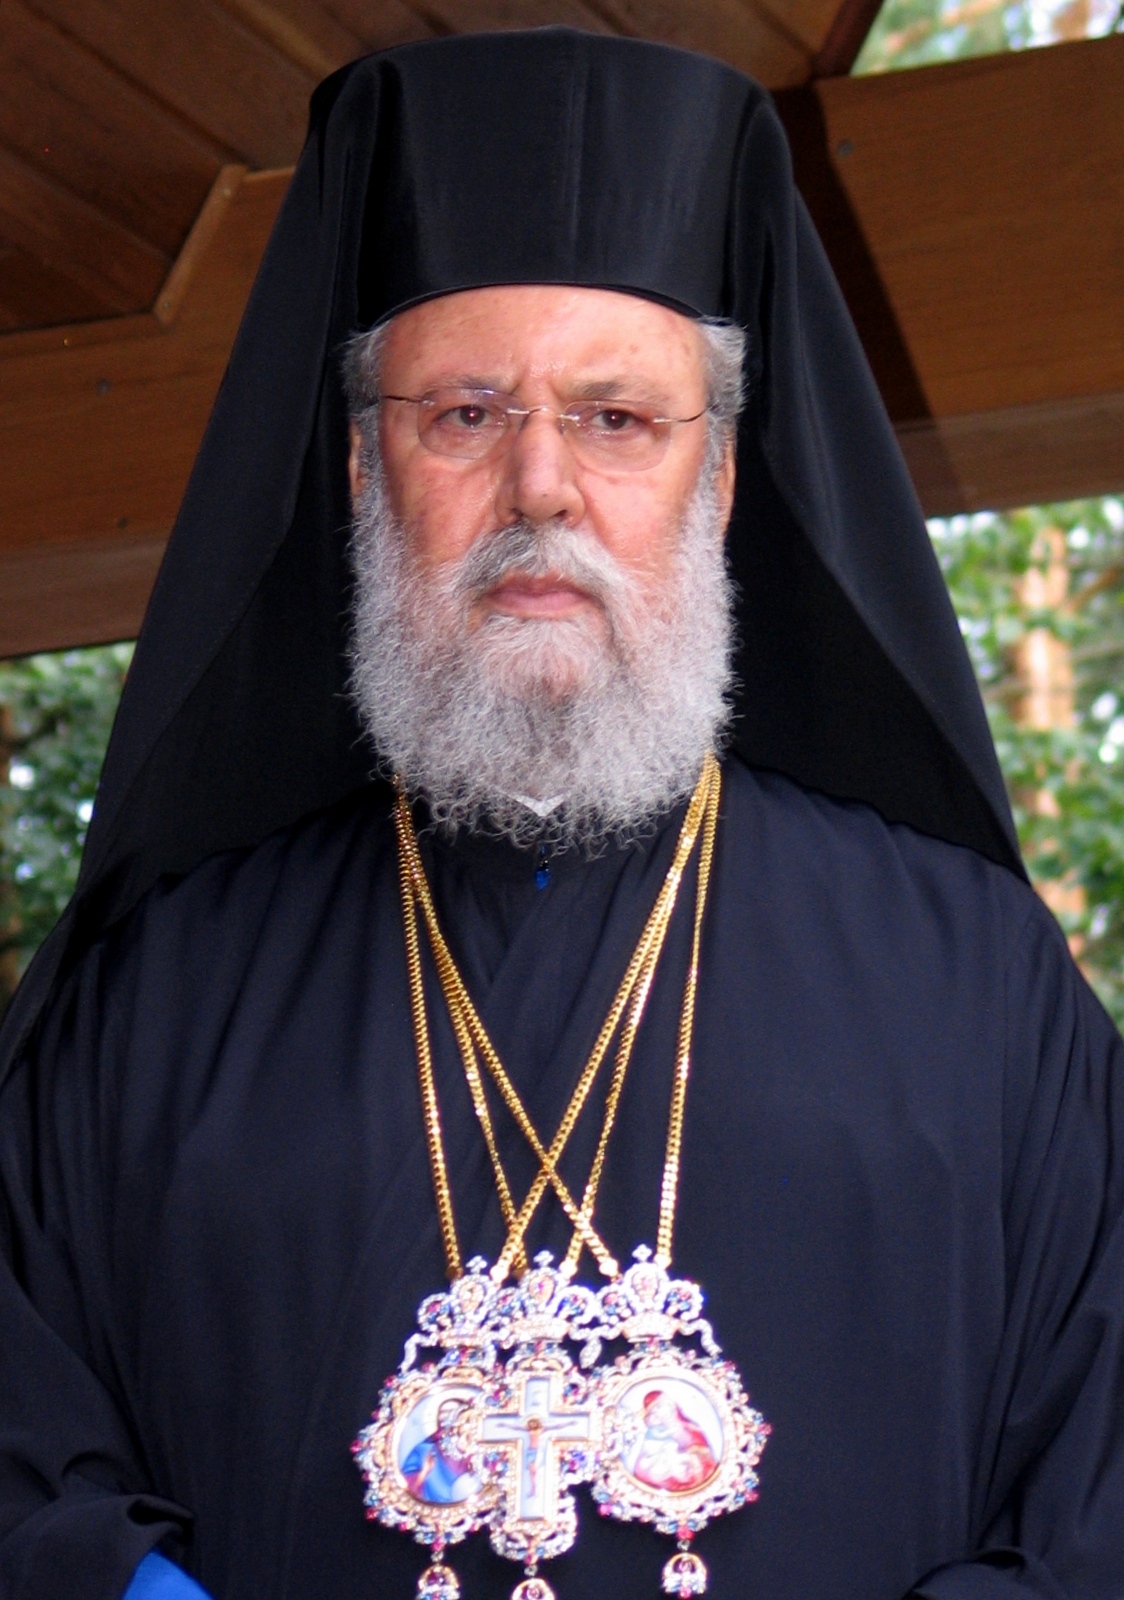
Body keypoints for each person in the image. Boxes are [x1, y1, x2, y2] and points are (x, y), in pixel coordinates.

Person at [1, 25, 1122, 1600]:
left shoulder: (976, 974)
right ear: (361, 469)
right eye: (462, 414)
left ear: (719, 480)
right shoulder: (155, 997)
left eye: (615, 420)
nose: (540, 484)